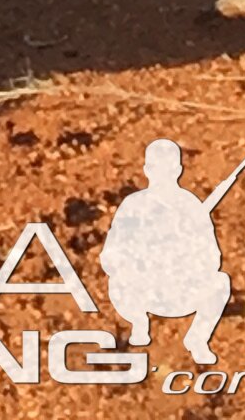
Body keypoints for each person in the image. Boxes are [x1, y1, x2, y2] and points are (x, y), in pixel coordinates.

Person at [101, 138, 235, 363]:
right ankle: (139, 323)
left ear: (178, 170)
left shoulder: (191, 207)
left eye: (168, 168)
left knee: (220, 282)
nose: (162, 174)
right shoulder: (134, 205)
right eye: (156, 168)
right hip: (142, 290)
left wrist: (183, 256)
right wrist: (140, 260)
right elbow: (110, 255)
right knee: (117, 281)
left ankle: (197, 338)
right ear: (147, 170)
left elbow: (212, 257)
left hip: (180, 290)